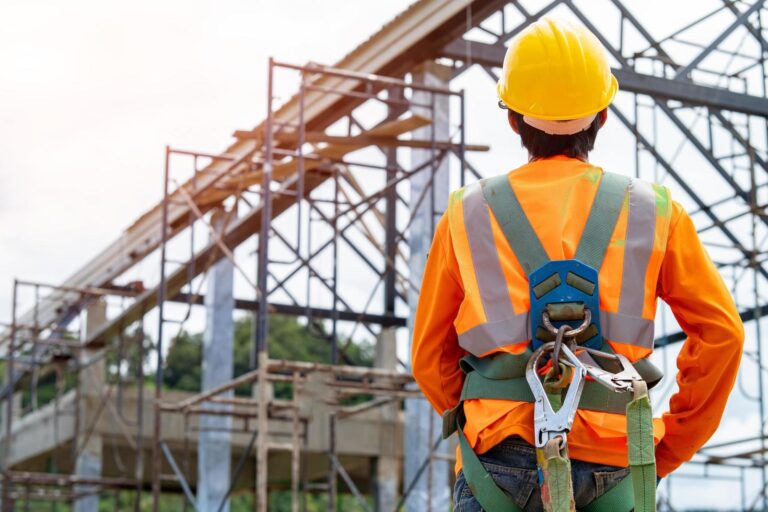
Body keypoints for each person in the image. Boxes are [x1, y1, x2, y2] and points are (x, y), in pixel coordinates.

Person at [410, 16, 744, 512]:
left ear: (512, 118)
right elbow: (722, 334)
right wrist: (667, 444)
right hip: (615, 461)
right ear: (603, 115)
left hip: (494, 464)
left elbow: (429, 355)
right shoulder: (655, 210)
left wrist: (486, 415)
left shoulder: (466, 212)